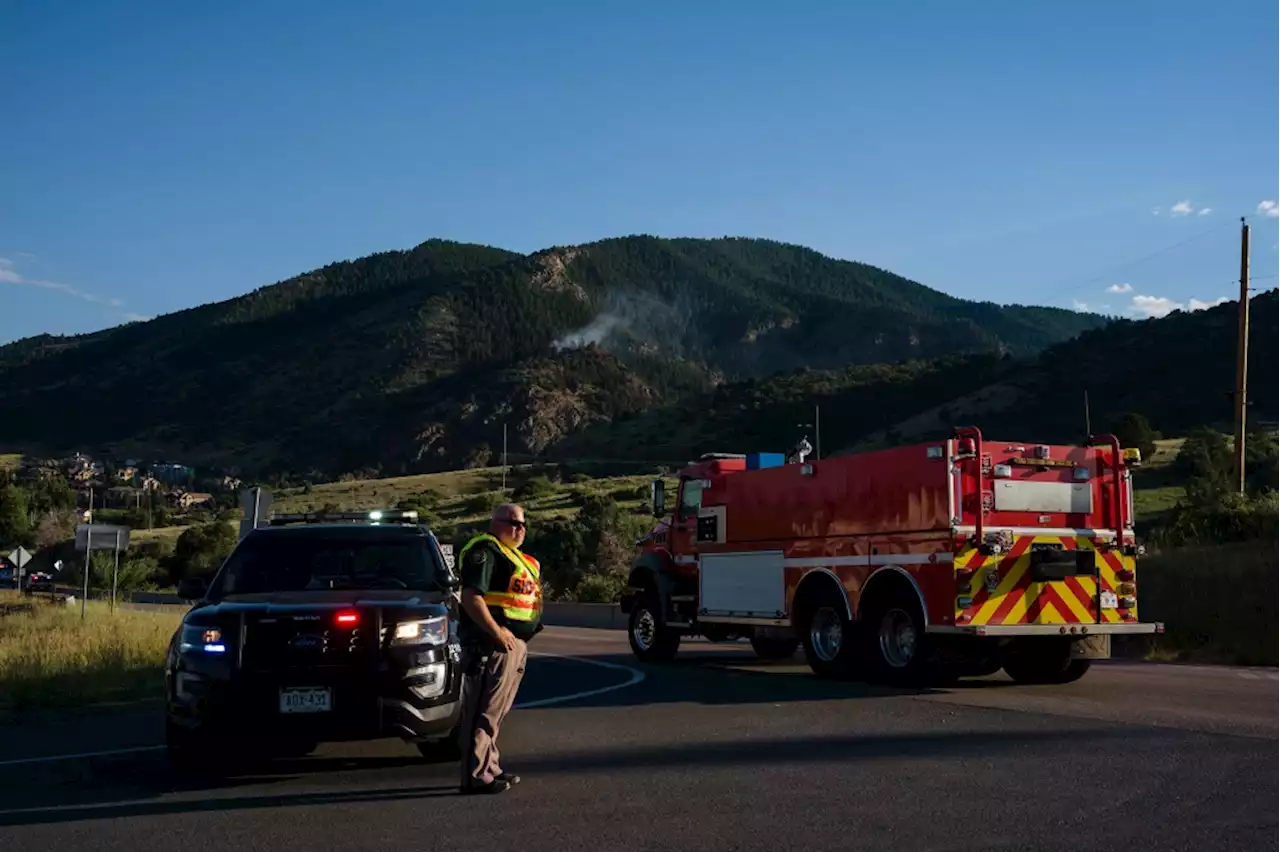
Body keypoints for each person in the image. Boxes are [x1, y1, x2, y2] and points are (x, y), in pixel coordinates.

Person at [455, 502, 543, 794]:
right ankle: (474, 774)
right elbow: (471, 597)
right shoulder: (487, 552)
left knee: (498, 712)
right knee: (483, 710)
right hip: (490, 644)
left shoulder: (517, 558)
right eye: (513, 522)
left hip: (512, 645)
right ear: (495, 523)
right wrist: (495, 631)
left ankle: (490, 766)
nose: (520, 529)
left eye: (523, 524)